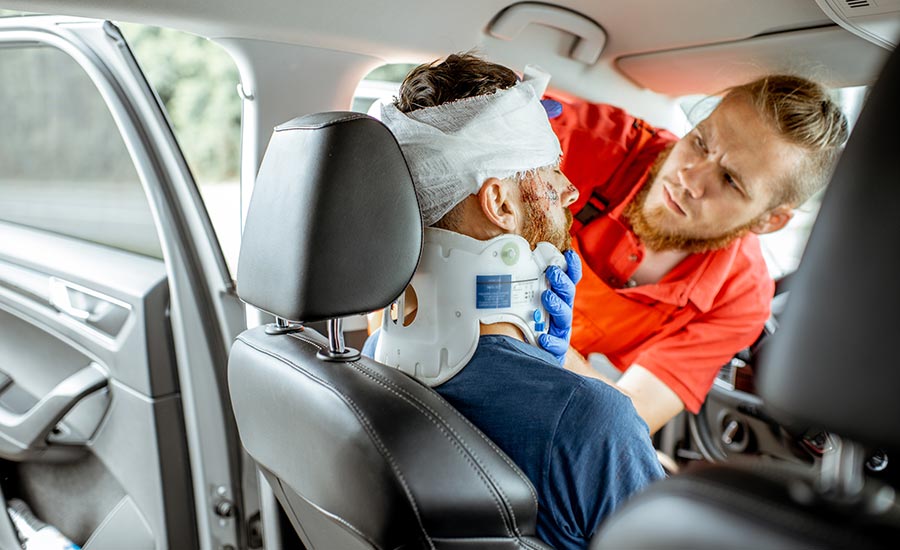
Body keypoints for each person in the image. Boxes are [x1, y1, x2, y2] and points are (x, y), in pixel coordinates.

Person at [364, 53, 664, 550]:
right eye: (549, 173)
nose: (568, 192)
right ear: (500, 203)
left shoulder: (370, 361)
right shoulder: (591, 422)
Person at [548, 76, 849, 433]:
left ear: (771, 220)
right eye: (701, 142)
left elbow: (633, 416)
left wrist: (538, 344)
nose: (689, 179)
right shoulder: (569, 140)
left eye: (730, 180)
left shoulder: (740, 298)